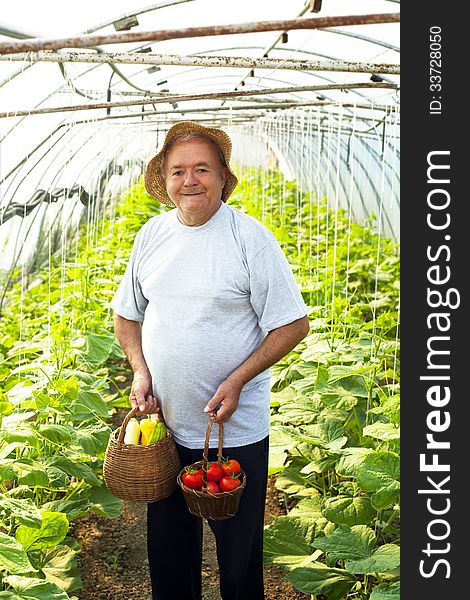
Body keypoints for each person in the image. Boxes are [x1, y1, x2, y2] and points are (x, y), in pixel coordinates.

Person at [111, 120, 310, 600]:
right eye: (178, 171)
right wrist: (140, 369)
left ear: (223, 176)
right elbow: (126, 315)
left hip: (232, 432)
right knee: (169, 549)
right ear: (165, 179)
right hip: (167, 427)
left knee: (237, 556)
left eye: (203, 168)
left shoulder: (249, 239)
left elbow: (292, 324)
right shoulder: (152, 235)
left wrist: (239, 379)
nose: (190, 180)